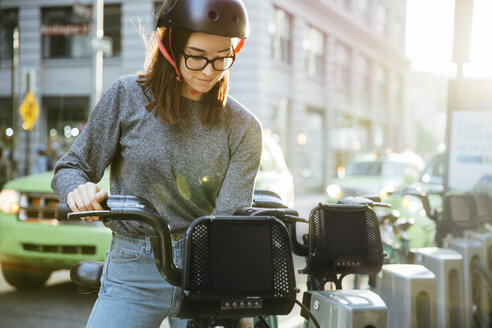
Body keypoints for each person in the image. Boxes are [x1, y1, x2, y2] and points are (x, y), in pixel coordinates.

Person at [51, 0, 262, 327]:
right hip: (133, 267)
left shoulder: (244, 127)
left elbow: (229, 222)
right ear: (170, 47)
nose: (209, 71)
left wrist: (237, 299)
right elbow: (70, 167)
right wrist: (76, 189)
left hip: (205, 269)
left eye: (223, 58)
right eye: (196, 56)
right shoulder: (126, 96)